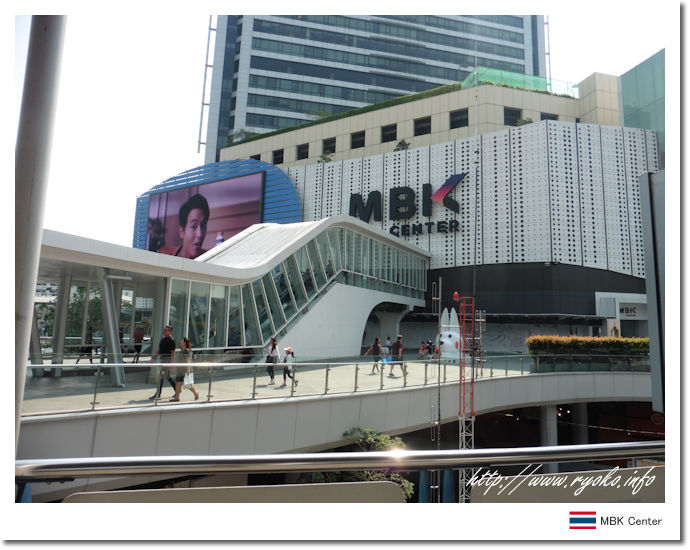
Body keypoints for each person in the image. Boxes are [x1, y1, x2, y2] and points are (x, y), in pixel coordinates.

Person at [174, 194, 209, 259]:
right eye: (193, 227)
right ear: (181, 232)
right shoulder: (166, 256)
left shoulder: (208, 259)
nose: (200, 234)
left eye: (203, 226)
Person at [149, 325, 177, 400]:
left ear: (170, 332)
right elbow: (159, 349)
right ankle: (177, 390)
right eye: (164, 330)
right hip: (163, 360)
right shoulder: (163, 339)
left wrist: (171, 363)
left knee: (161, 377)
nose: (164, 331)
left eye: (165, 330)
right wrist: (154, 358)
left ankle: (158, 394)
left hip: (167, 360)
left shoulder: (171, 340)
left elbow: (173, 352)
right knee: (168, 377)